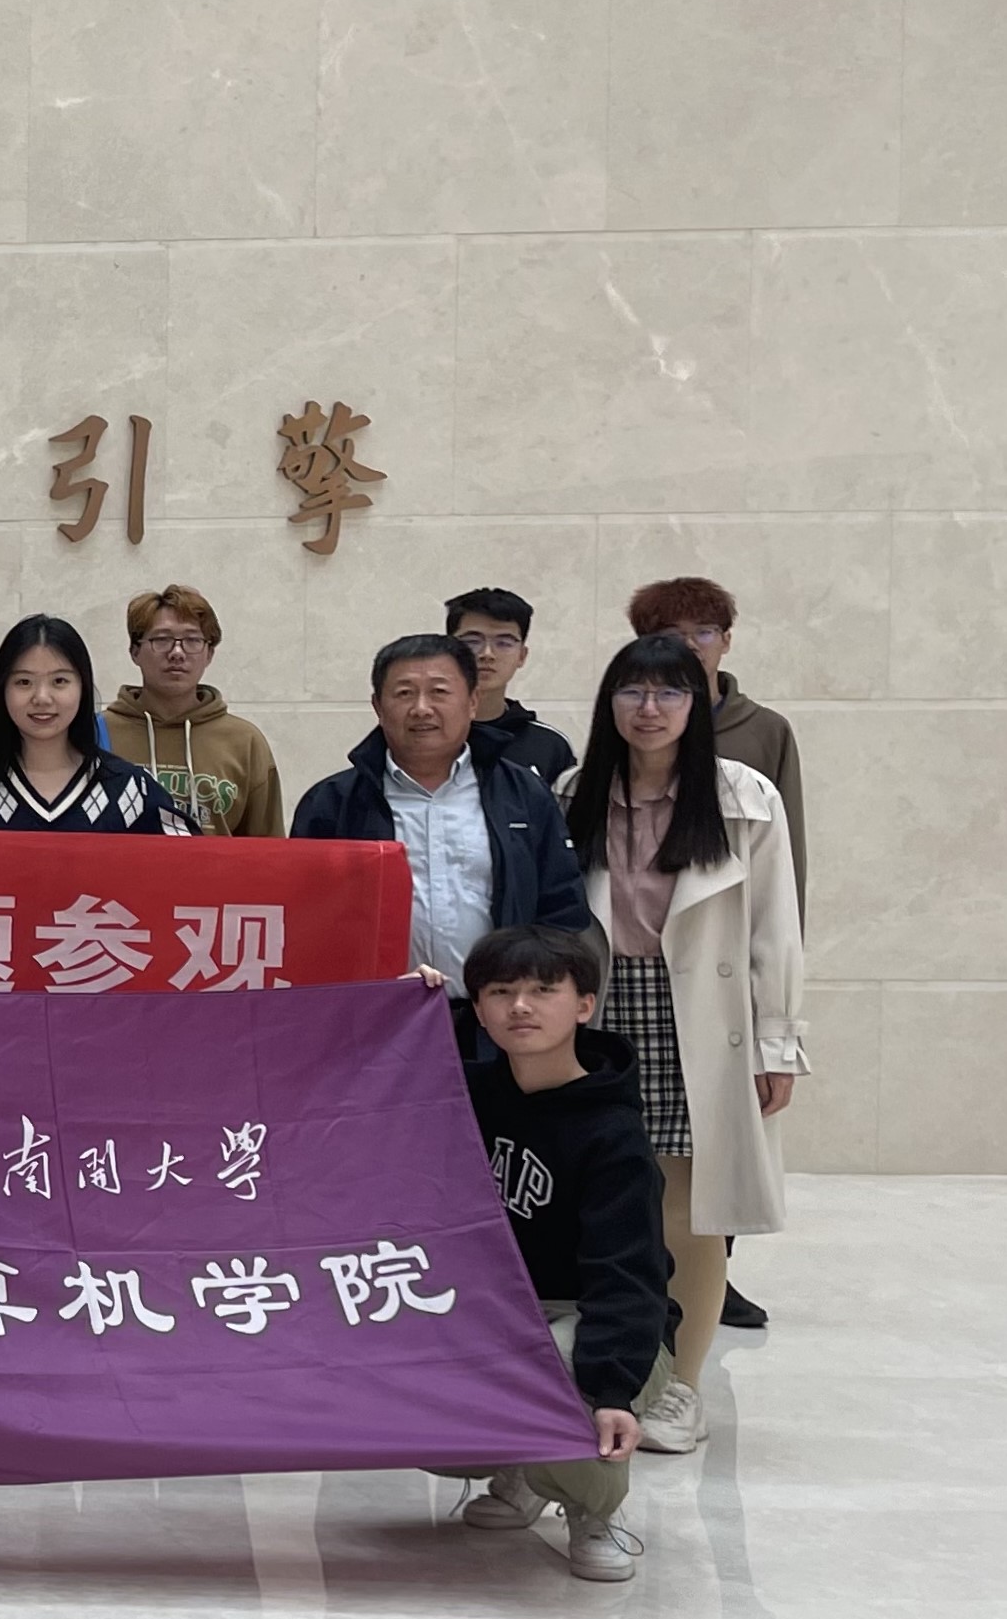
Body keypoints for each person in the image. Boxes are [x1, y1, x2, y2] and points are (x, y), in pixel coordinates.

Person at [560, 634, 807, 1455]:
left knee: (686, 1210)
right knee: (603, 1199)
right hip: (598, 1007)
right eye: (632, 691)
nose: (650, 708)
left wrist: (777, 1043)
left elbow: (774, 926)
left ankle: (680, 1387)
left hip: (697, 1011)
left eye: (670, 692)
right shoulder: (574, 792)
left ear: (696, 704)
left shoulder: (743, 796)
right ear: (609, 703)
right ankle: (611, 1378)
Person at [442, 925, 676, 1582]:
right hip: (498, 1314)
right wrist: (408, 1003)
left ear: (584, 1005)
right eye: (500, 992)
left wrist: (612, 1386)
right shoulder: (467, 1097)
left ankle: (590, 1507)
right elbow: (375, 1074)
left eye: (544, 990)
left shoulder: (613, 1135)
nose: (520, 1006)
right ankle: (524, 1470)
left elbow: (627, 1277)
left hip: (599, 1323)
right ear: (478, 1008)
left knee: (561, 1371)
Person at [292, 635, 591, 1049]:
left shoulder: (523, 794)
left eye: (439, 692)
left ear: (472, 702)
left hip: (502, 1026)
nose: (421, 708)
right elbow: (308, 924)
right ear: (377, 706)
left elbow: (561, 911)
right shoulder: (333, 803)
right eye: (404, 693)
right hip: (374, 1024)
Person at [0, 616, 195, 837]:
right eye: (24, 682)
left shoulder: (131, 788)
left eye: (59, 681)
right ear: (1, 690)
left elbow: (192, 867)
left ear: (83, 688)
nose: (42, 698)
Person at [626, 576, 807, 900]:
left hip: (732, 909)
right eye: (673, 635)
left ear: (726, 640)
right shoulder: (633, 724)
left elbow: (785, 851)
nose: (691, 645)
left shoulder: (765, 730)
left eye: (704, 631)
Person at [113, 584, 286, 837]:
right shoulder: (97, 733)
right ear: (134, 651)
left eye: (192, 640)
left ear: (209, 653)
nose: (177, 653)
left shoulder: (244, 742)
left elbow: (268, 847)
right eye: (161, 640)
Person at [445, 587, 576, 791]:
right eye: (472, 641)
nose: (487, 654)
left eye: (504, 643)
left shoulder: (549, 745)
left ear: (522, 656)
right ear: (448, 650)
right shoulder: (423, 733)